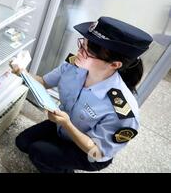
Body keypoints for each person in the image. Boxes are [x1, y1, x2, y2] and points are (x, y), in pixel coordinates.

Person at [11, 16, 153, 173]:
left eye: (87, 51)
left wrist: (67, 124)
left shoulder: (123, 111)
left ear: (114, 64)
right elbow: (43, 82)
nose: (79, 52)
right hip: (63, 127)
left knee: (38, 152)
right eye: (81, 44)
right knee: (22, 143)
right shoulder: (73, 65)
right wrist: (22, 72)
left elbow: (98, 153)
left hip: (89, 150)